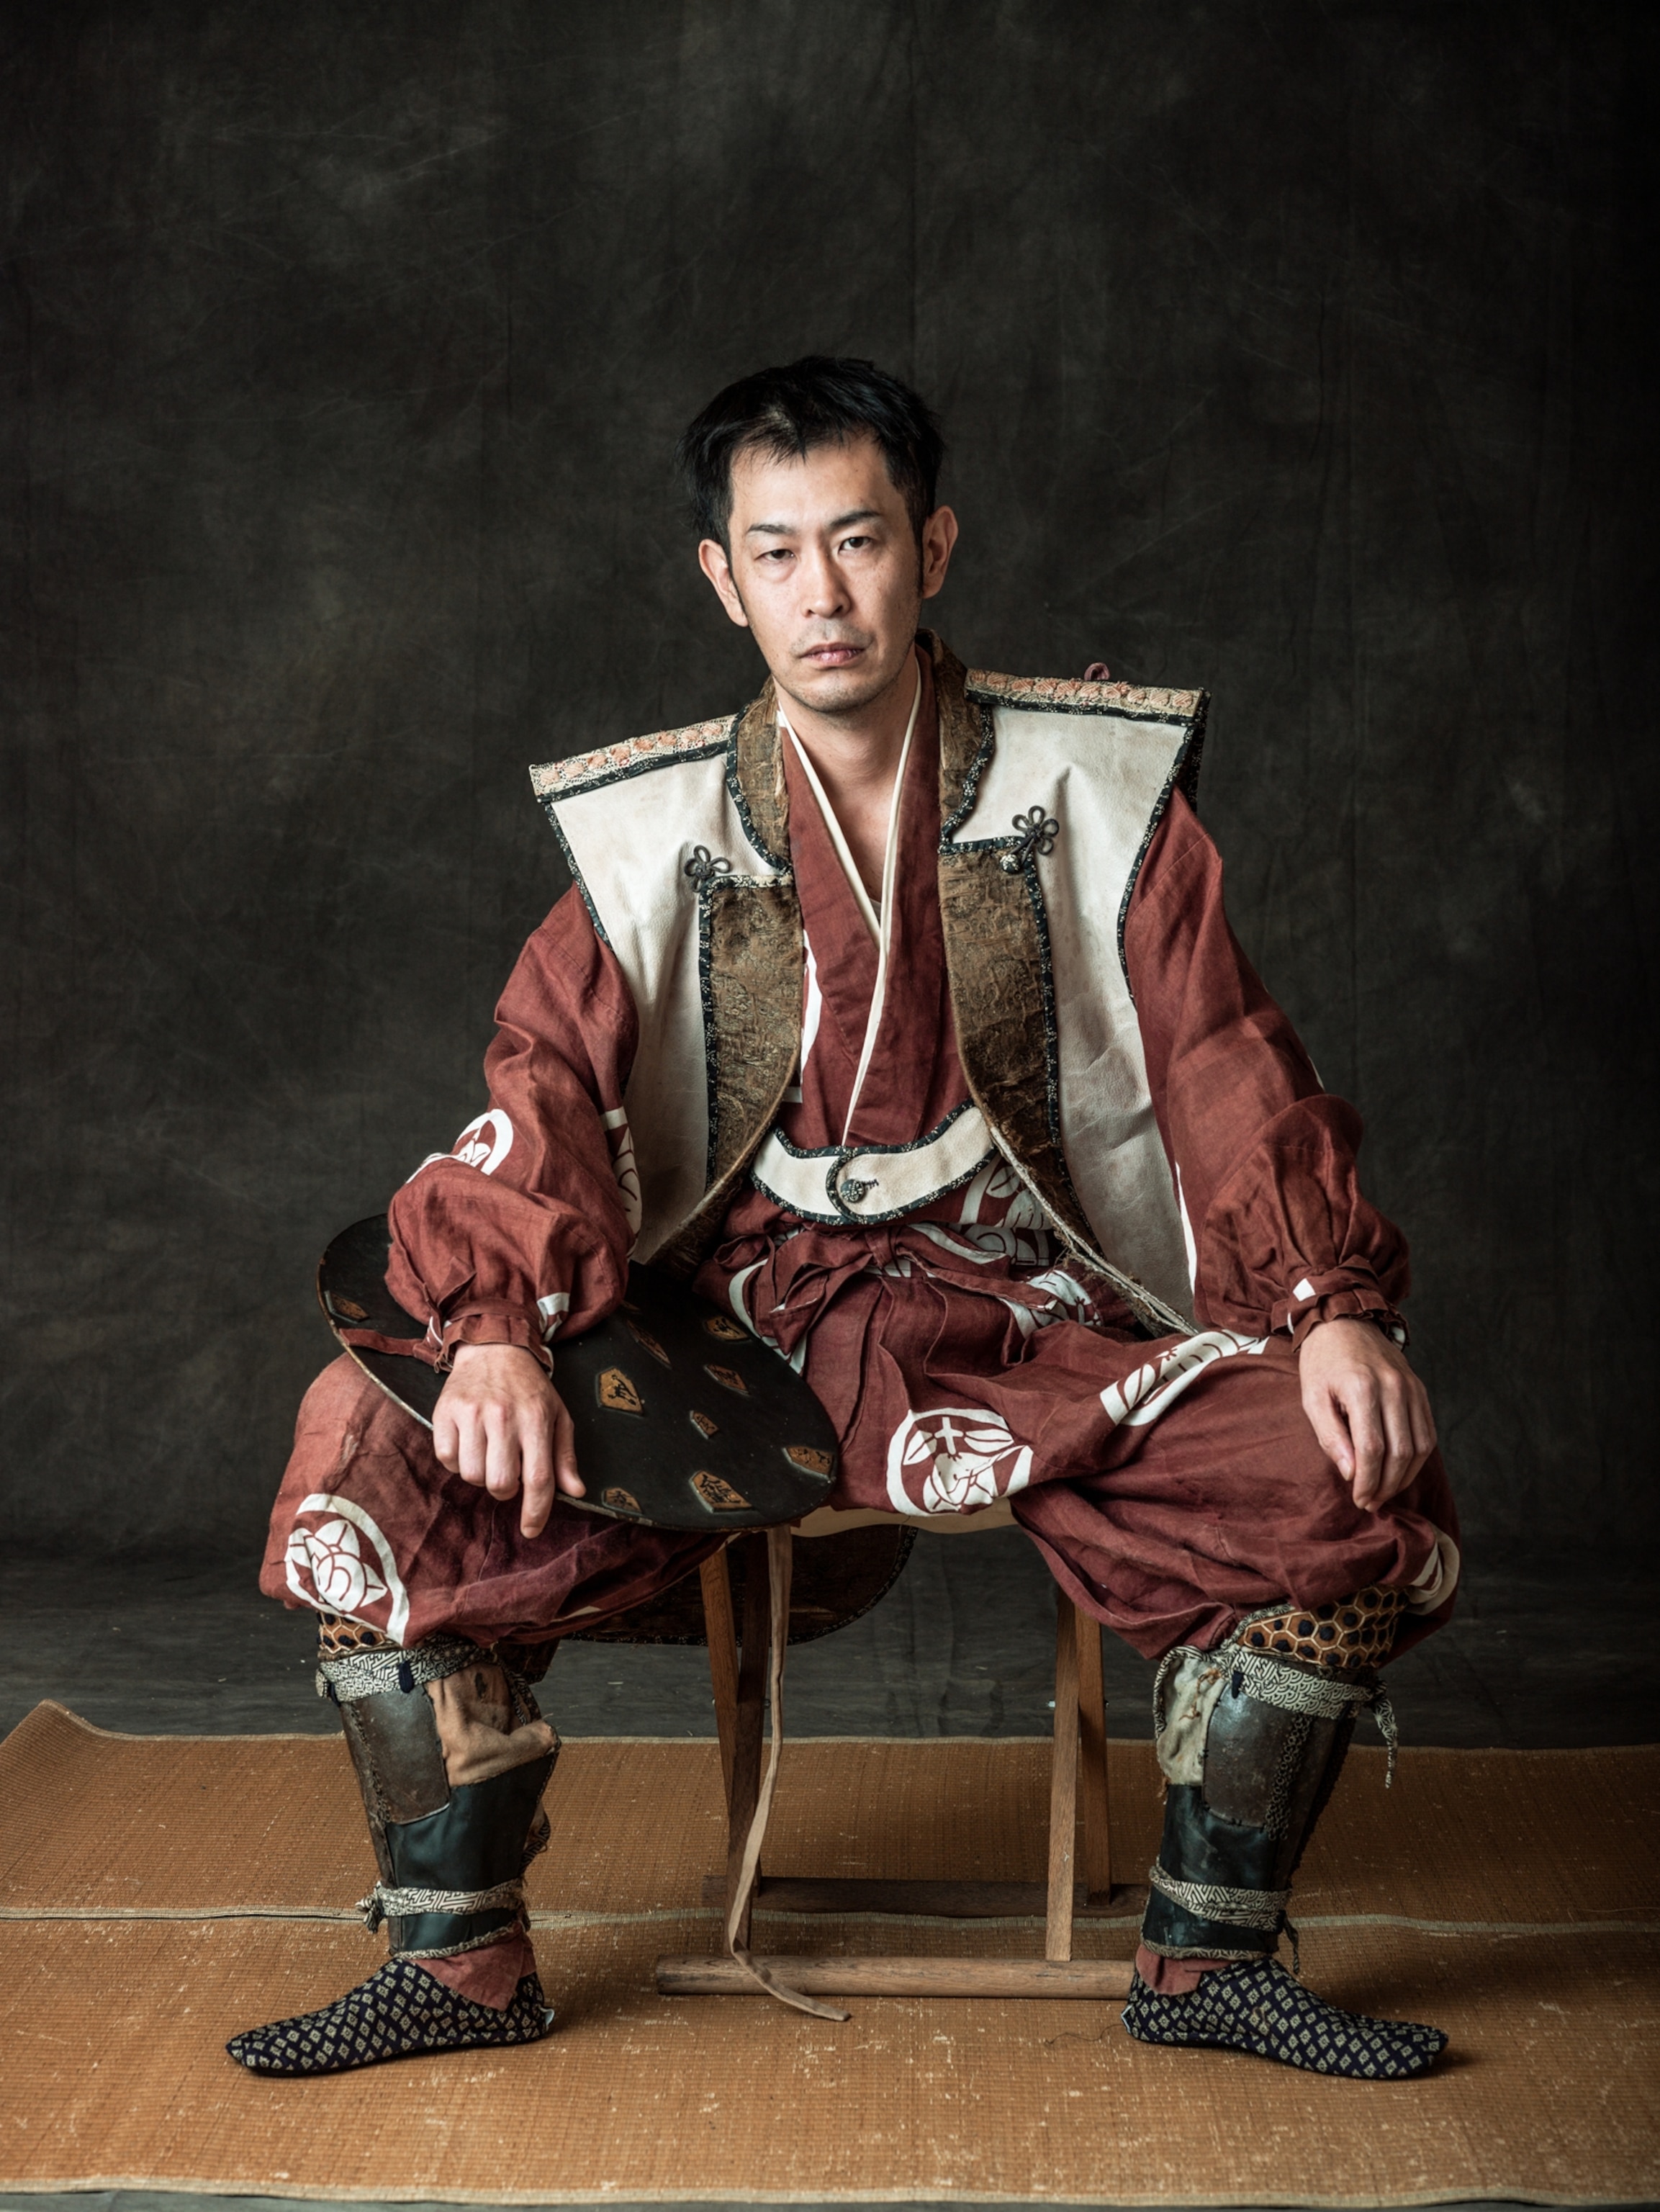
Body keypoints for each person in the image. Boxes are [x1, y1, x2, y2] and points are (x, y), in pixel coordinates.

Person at [228, 356, 1458, 2081]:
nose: (824, 593)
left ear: (931, 547)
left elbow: (1221, 1052)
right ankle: (457, 1963)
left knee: (1351, 1469)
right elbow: (545, 1074)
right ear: (720, 578)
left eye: (861, 541)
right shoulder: (653, 826)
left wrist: (1328, 1296)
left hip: (1029, 1317)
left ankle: (1210, 1961)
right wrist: (496, 1328)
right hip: (729, 1324)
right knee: (365, 1429)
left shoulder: (1095, 789)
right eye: (779, 552)